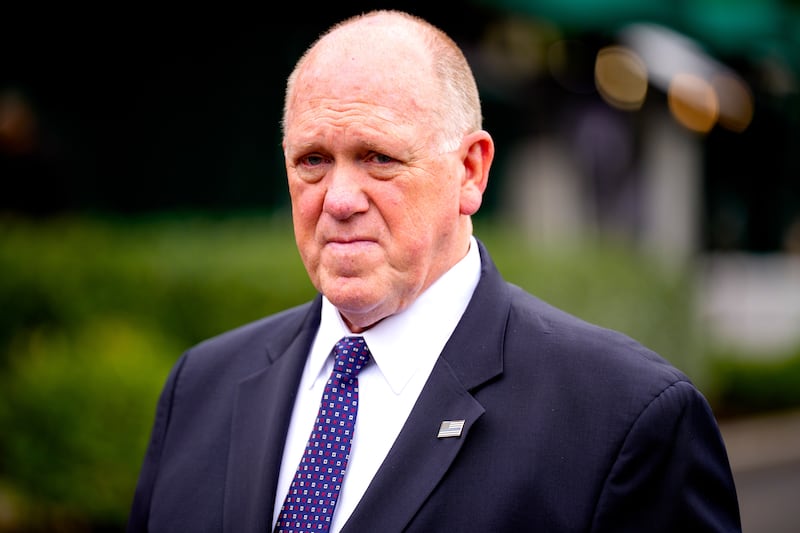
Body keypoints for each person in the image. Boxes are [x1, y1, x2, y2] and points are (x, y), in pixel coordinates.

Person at [127, 9, 741, 533]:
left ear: (471, 171)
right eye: (313, 159)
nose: (339, 198)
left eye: (378, 158)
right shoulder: (199, 388)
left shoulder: (624, 420)